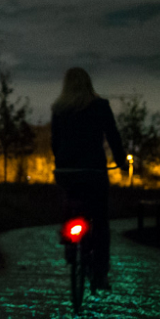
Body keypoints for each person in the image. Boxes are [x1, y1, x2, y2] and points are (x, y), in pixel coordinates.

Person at [51, 67, 128, 291]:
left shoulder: (59, 109)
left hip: (67, 171)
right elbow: (113, 135)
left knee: (69, 199)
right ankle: (100, 274)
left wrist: (62, 162)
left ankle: (68, 240)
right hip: (93, 171)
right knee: (100, 221)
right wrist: (121, 161)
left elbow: (55, 142)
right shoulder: (100, 106)